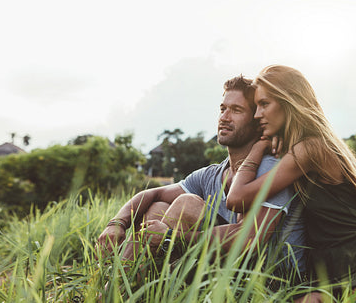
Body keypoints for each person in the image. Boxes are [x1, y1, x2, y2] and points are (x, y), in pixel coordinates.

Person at [226, 65, 356, 302]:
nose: (257, 114)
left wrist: (258, 148)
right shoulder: (301, 147)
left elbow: (235, 198)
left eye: (264, 104)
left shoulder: (310, 149)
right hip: (324, 270)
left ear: (288, 101)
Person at [96, 75, 306, 279]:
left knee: (187, 204)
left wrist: (169, 237)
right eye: (223, 109)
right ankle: (116, 289)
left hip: (268, 280)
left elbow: (249, 240)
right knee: (156, 208)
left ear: (256, 121)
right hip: (226, 272)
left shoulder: (270, 166)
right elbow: (153, 192)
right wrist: (116, 223)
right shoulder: (213, 174)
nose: (224, 117)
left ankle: (120, 291)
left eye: (236, 110)